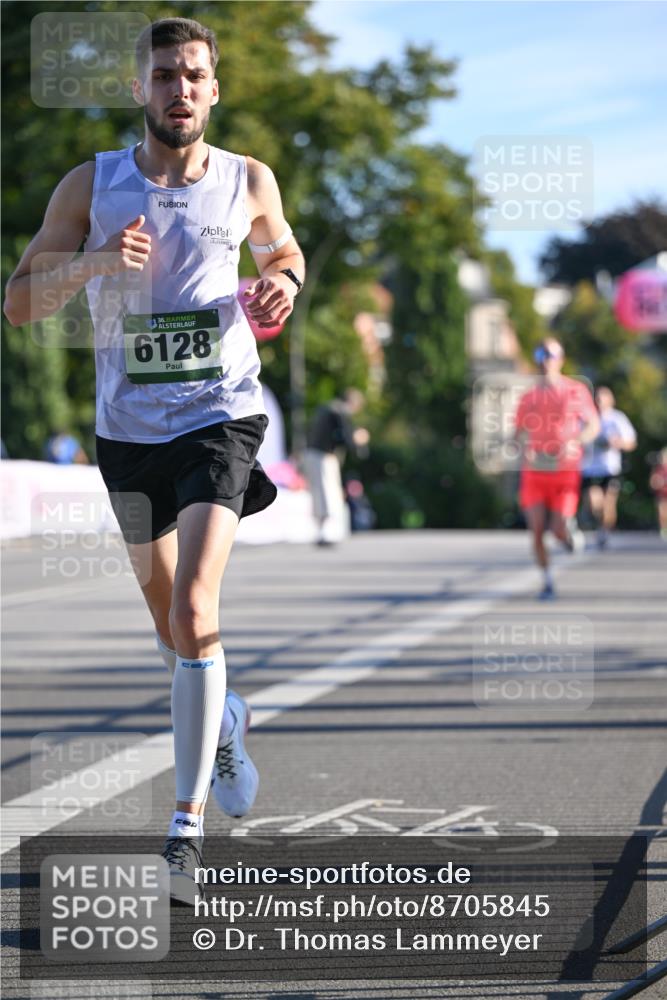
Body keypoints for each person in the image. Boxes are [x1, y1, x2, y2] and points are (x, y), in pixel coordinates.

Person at [3, 17, 305, 905]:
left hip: (219, 414)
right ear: (139, 88)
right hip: (128, 429)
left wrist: (281, 284)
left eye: (195, 75)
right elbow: (18, 304)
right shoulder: (92, 184)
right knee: (170, 628)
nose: (181, 89)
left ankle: (184, 833)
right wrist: (96, 262)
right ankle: (224, 722)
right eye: (166, 74)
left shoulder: (248, 179)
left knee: (194, 604)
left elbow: (282, 251)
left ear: (214, 89)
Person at [514, 338, 599, 600]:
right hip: (535, 471)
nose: (545, 360)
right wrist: (522, 447)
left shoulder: (576, 390)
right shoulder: (529, 396)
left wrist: (576, 441)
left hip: (565, 470)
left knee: (558, 528)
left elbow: (593, 425)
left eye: (550, 354)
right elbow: (518, 431)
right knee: (537, 531)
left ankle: (567, 535)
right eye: (540, 354)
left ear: (561, 359)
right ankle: (547, 581)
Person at [303, 388, 369, 545]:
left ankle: (323, 530)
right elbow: (346, 438)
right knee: (328, 492)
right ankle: (327, 532)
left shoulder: (328, 408)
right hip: (323, 456)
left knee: (320, 492)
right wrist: (358, 441)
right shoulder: (340, 411)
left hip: (315, 454)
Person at [581, 387, 636, 548]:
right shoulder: (588, 418)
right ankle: (597, 522)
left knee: (608, 504)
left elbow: (631, 442)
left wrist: (618, 442)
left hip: (610, 468)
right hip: (590, 468)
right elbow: (577, 437)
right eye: (597, 398)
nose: (599, 401)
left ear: (611, 400)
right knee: (593, 502)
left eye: (602, 398)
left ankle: (604, 530)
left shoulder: (617, 418)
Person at [649, 447, 667, 540]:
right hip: (662, 495)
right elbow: (652, 482)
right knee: (662, 513)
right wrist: (658, 483)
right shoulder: (658, 469)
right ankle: (664, 529)